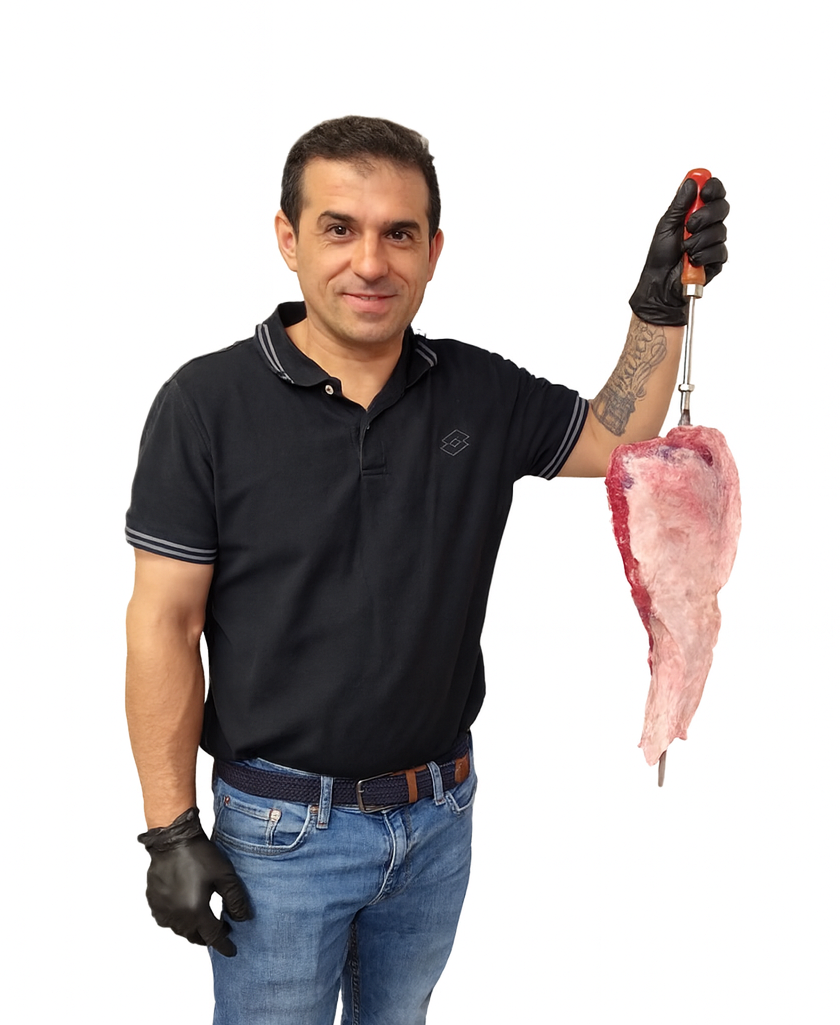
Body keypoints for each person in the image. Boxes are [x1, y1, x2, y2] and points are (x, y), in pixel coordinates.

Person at [125, 115, 728, 1025]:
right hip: (281, 831)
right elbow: (163, 624)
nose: (370, 262)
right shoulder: (205, 406)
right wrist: (170, 829)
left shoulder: (478, 392)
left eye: (399, 234)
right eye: (339, 228)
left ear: (434, 250)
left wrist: (658, 305)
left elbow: (618, 437)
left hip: (437, 818)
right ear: (288, 238)